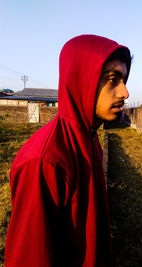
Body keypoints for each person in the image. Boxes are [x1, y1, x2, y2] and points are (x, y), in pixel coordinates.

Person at [5, 34, 131, 267]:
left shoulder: (89, 137)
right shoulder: (44, 160)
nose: (125, 92)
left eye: (123, 80)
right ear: (83, 79)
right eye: (113, 79)